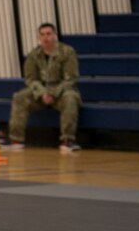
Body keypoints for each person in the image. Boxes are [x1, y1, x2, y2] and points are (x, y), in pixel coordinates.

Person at [6, 22, 82, 153]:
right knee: (19, 97)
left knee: (70, 98)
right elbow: (30, 79)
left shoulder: (67, 52)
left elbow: (71, 78)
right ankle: (16, 140)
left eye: (48, 34)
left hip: (61, 91)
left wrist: (52, 93)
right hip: (39, 93)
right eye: (42, 35)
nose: (46, 37)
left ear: (54, 35)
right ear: (38, 37)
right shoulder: (33, 55)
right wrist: (42, 93)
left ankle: (67, 140)